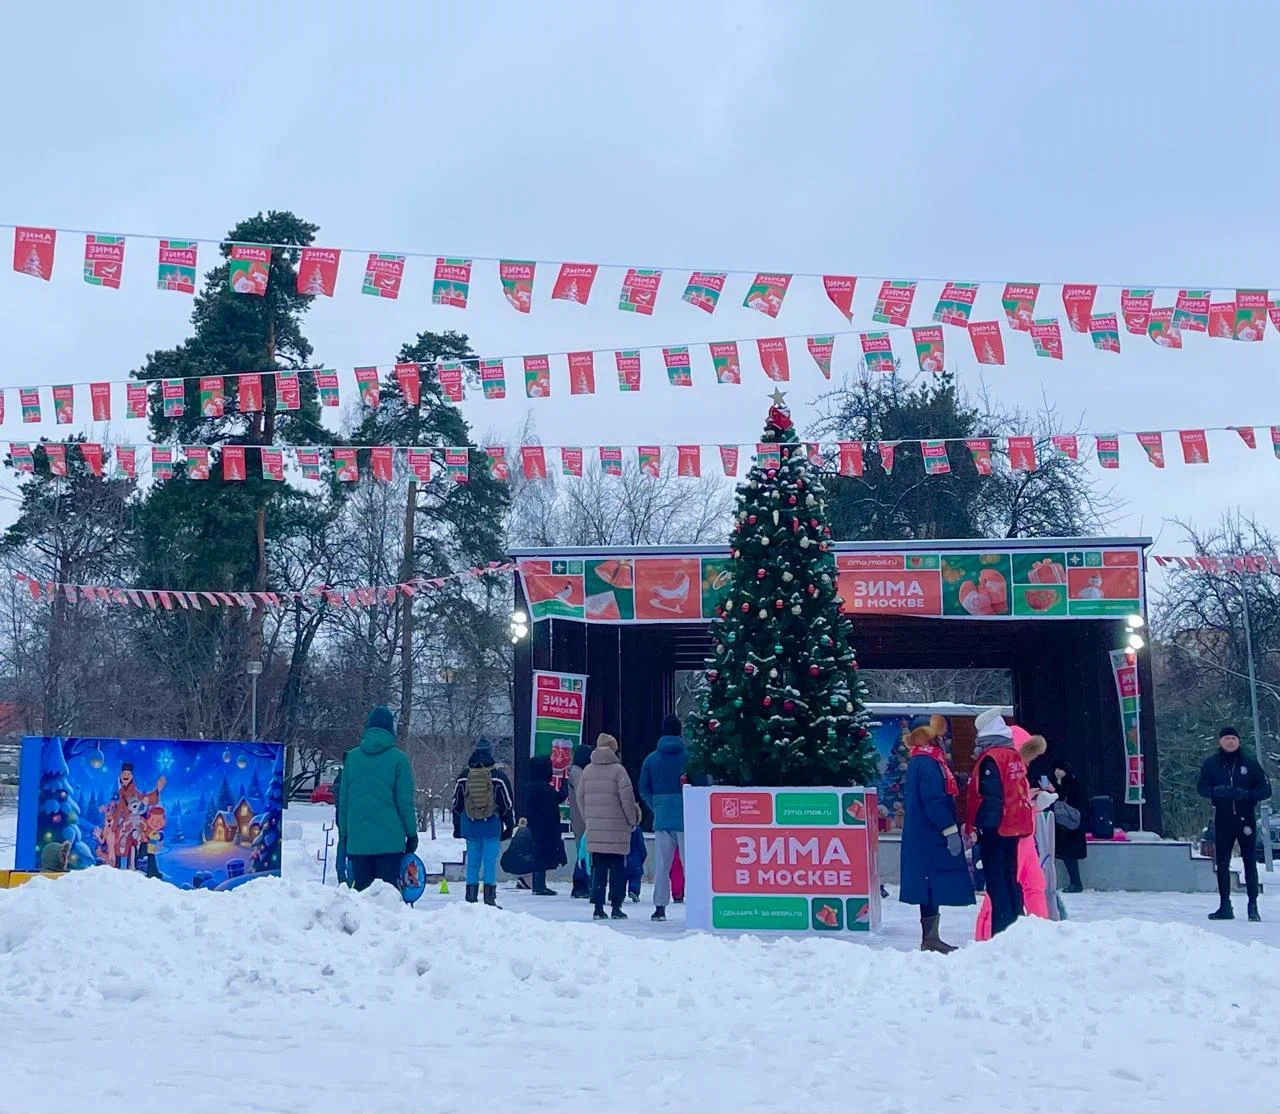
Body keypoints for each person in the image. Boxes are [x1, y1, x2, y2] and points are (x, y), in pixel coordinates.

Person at [899, 724, 974, 952]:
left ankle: (930, 937)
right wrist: (949, 829)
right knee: (931, 885)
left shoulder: (919, 761)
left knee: (927, 885)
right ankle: (930, 939)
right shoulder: (929, 763)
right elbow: (933, 800)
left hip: (922, 835)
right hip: (930, 836)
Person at [964, 707, 1034, 938]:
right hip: (1014, 826)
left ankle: (1002, 932)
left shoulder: (991, 759)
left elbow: (991, 797)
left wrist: (983, 829)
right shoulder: (1012, 755)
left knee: (996, 882)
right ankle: (1017, 925)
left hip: (996, 829)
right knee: (1010, 878)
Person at [337, 706, 419, 893]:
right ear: (390, 730)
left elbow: (344, 802)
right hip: (391, 843)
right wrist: (412, 834)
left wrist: (345, 834)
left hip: (358, 843)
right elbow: (405, 803)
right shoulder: (399, 760)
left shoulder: (352, 758)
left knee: (363, 901)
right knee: (387, 900)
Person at [1198, 725, 1273, 922]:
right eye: (1226, 738)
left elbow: (1266, 789)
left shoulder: (1249, 763)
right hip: (1223, 818)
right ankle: (1225, 905)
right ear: (1220, 742)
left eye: (1234, 738)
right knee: (1222, 862)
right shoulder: (1211, 764)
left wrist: (1248, 795)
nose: (1230, 741)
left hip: (1245, 817)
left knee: (1249, 861)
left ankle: (1253, 906)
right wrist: (1216, 792)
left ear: (1238, 741)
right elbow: (1202, 787)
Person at [576, 732, 641, 920]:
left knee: (599, 868)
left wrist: (588, 818)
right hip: (617, 829)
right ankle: (616, 907)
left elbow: (580, 796)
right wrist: (632, 820)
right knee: (618, 868)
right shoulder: (619, 771)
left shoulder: (587, 770)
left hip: (595, 827)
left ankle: (597, 907)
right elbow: (627, 799)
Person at [452, 739, 516, 907]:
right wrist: (509, 825)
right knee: (489, 863)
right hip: (491, 825)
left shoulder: (464, 776)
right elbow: (506, 803)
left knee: (473, 862)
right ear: (490, 752)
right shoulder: (497, 776)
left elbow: (456, 804)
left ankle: (471, 898)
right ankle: (489, 899)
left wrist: (457, 826)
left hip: (470, 825)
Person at [639, 713, 689, 921]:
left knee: (662, 866)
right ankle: (695, 906)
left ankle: (660, 908)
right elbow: (703, 784)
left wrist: (656, 807)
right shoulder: (690, 756)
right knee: (690, 864)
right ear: (679, 732)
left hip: (662, 819)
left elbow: (644, 789)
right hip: (686, 819)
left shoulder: (651, 759)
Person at [522, 754, 568, 896]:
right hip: (546, 827)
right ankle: (540, 886)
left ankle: (538, 884)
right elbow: (559, 797)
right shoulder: (543, 788)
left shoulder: (530, 786)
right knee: (542, 856)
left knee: (538, 855)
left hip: (535, 826)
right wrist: (565, 785)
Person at [1051, 760, 1087, 892]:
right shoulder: (1058, 783)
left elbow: (1068, 798)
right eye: (1056, 769)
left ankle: (1076, 883)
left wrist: (1056, 790)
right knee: (1068, 856)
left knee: (1070, 856)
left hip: (1072, 826)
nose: (1057, 772)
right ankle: (1075, 882)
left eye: (1061, 769)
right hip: (1064, 825)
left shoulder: (1072, 783)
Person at [567, 740, 594, 898]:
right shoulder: (578, 773)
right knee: (583, 852)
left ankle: (582, 884)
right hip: (582, 817)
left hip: (578, 816)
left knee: (583, 851)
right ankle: (580, 884)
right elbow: (581, 795)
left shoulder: (576, 771)